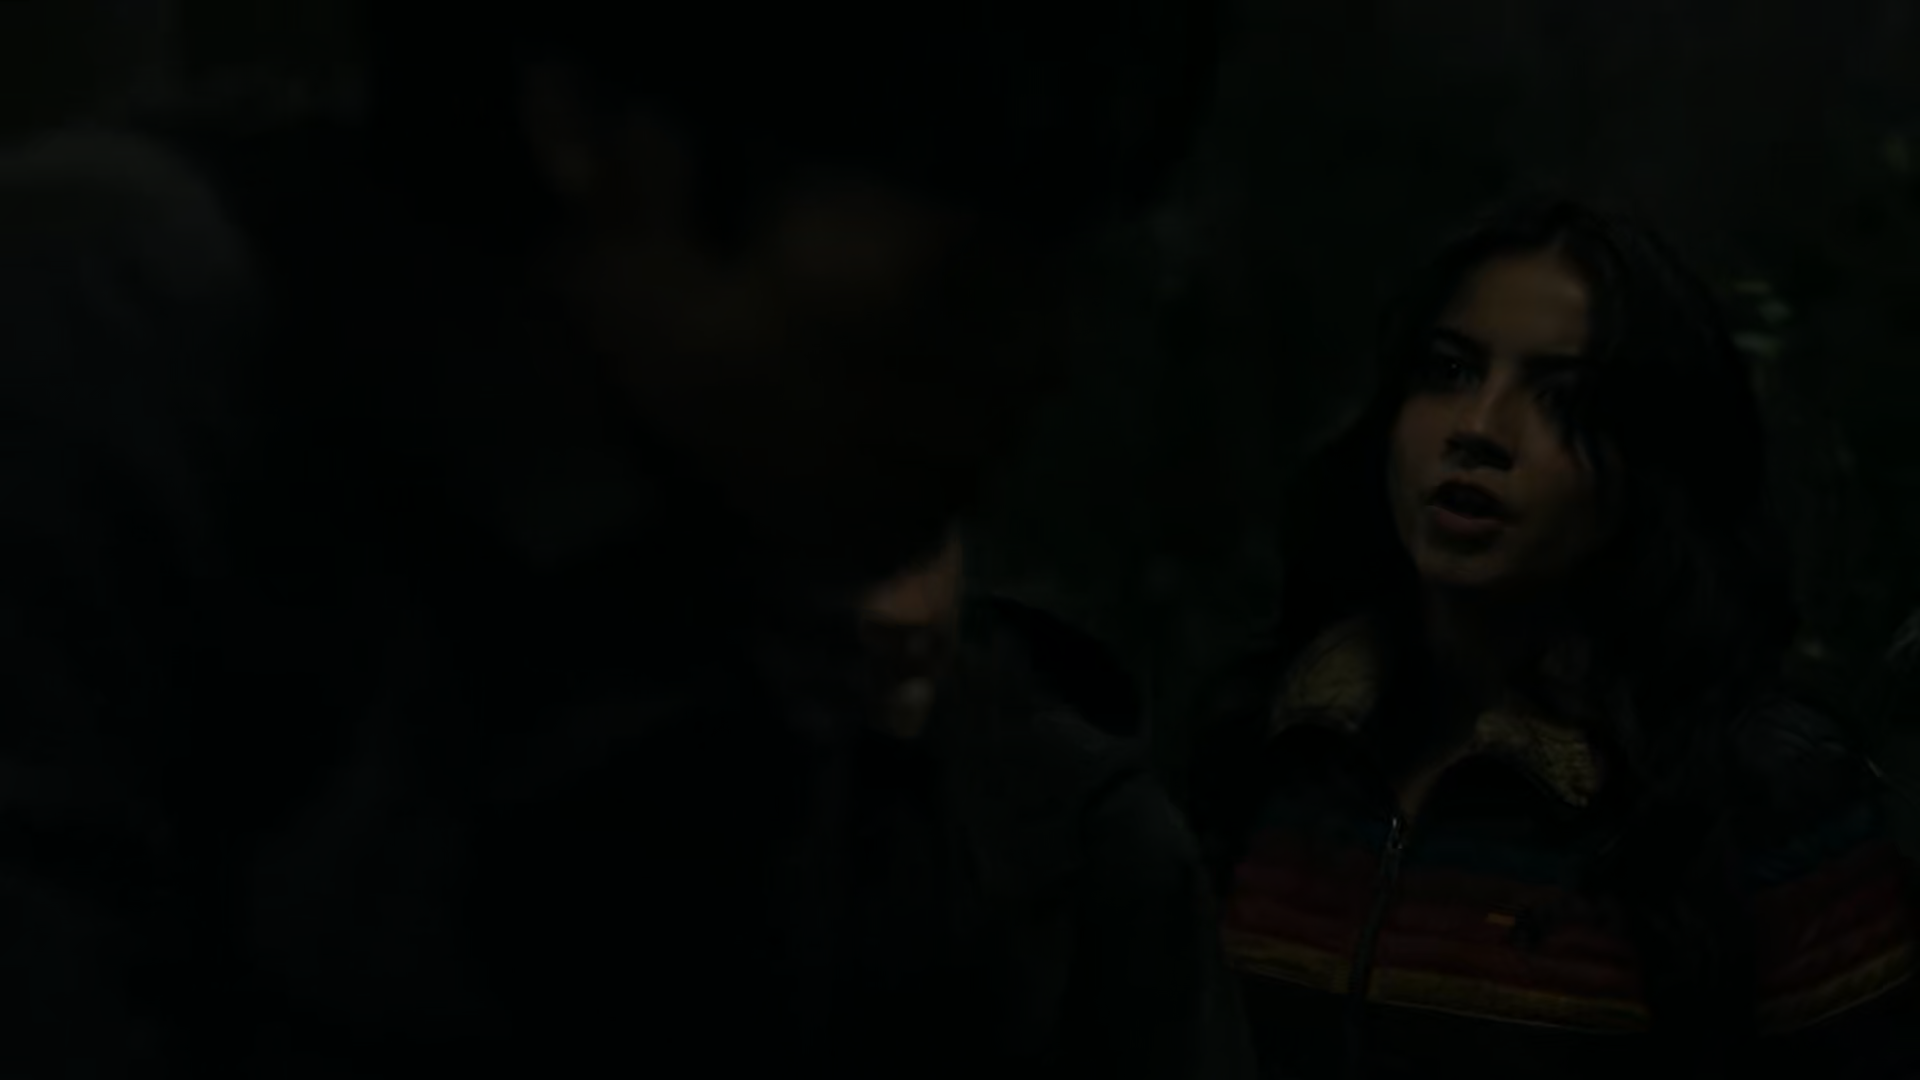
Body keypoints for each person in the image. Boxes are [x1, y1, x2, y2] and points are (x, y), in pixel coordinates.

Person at [0, 2, 1219, 1076]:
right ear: (596, 126)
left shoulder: (736, 590)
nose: (1029, 372)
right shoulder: (126, 351)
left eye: (1061, 283)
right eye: (955, 294)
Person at [1188, 199, 1920, 1079]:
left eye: (1563, 399)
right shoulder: (1272, 748)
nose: (1479, 429)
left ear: (1654, 460)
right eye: (1449, 369)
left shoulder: (1763, 793)